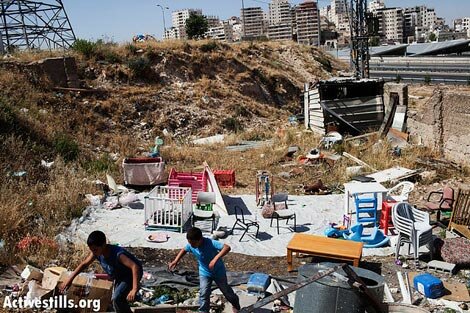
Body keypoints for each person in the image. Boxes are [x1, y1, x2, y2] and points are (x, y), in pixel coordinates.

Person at [60, 231, 143, 313]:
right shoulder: (96, 253)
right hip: (119, 276)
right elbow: (84, 264)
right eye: (92, 250)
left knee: (116, 298)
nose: (93, 252)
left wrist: (134, 289)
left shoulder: (118, 254)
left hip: (131, 275)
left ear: (103, 245)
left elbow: (134, 267)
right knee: (117, 300)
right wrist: (69, 280)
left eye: (95, 249)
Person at [168, 227, 240, 313]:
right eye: (190, 243)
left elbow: (227, 247)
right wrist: (176, 260)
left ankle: (235, 303)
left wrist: (215, 259)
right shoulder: (191, 245)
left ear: (200, 239)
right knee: (203, 293)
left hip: (218, 271)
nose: (192, 246)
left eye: (193, 243)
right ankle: (203, 311)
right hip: (204, 272)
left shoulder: (210, 243)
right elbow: (184, 249)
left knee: (226, 291)